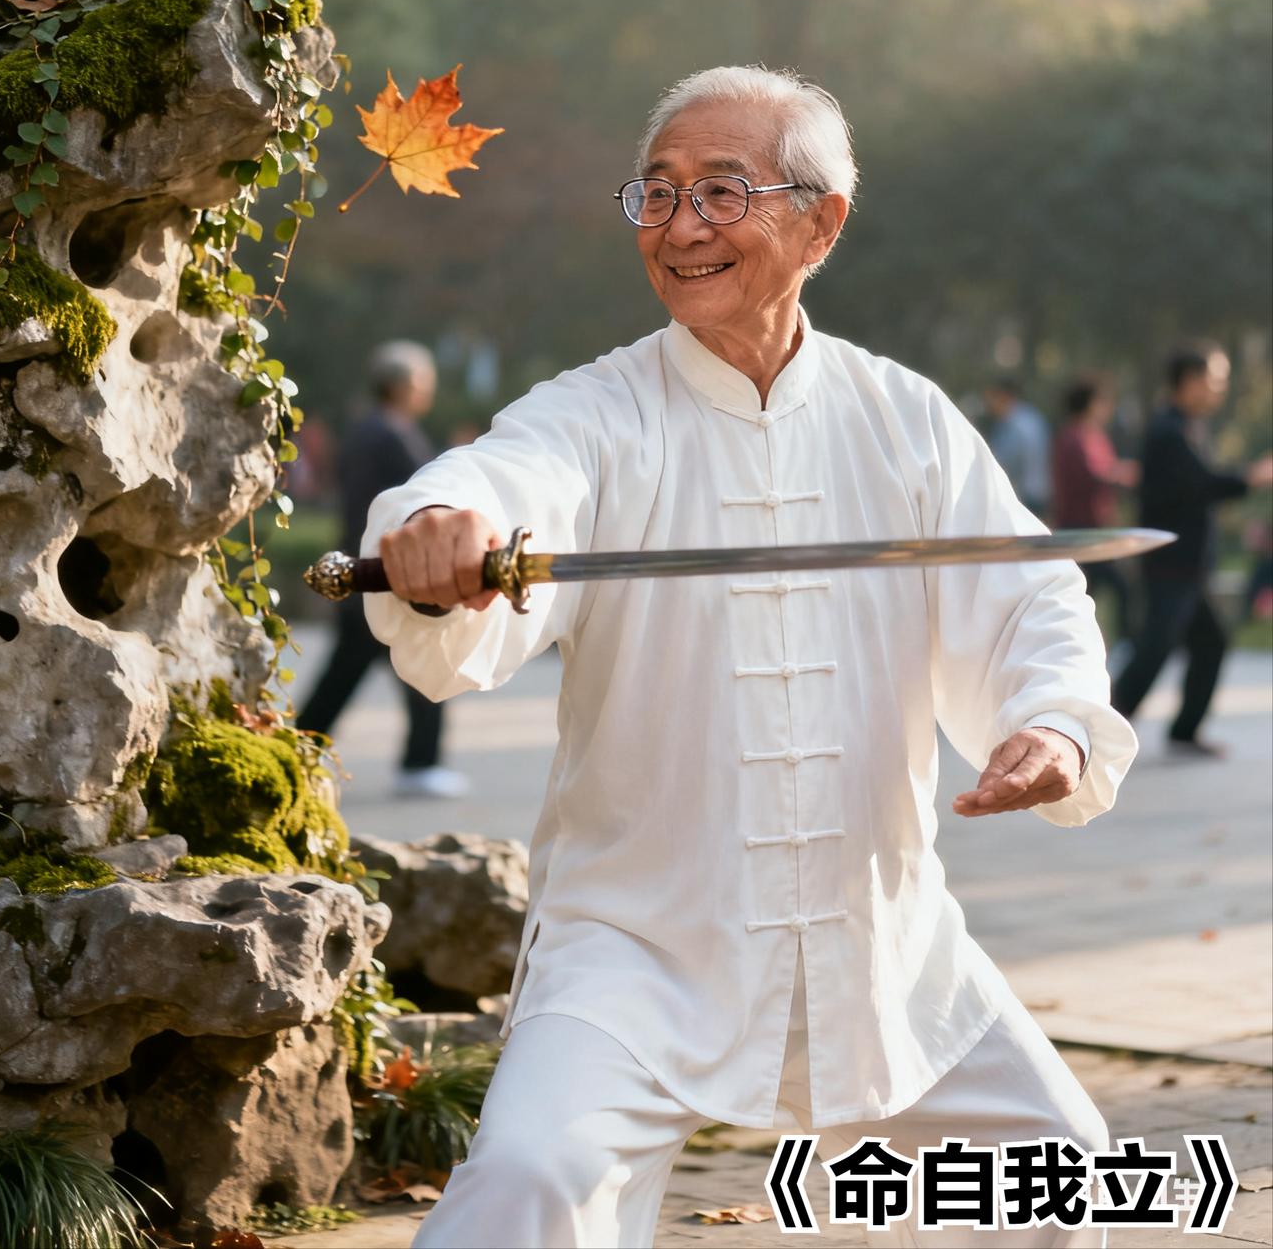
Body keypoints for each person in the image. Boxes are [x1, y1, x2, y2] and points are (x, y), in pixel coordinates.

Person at [363, 66, 1138, 1248]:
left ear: (820, 219)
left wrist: (1055, 722)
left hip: (880, 938)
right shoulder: (594, 413)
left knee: (1064, 1174)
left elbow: (1030, 592)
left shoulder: (905, 417)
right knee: (529, 1178)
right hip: (637, 947)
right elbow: (504, 478)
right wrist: (441, 526)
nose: (679, 227)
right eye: (658, 193)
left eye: (722, 192)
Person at [298, 340, 469, 798]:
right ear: (406, 385)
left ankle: (300, 749)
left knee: (350, 677)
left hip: (364, 569)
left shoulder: (363, 430)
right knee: (423, 667)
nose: (427, 392)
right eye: (424, 383)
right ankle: (420, 764)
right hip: (383, 573)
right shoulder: (391, 435)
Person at [1112, 343, 1273, 756]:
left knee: (1209, 642)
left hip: (1186, 564)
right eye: (1213, 380)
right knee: (1156, 647)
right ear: (1188, 382)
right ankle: (1100, 730)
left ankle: (1183, 731)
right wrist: (1251, 477)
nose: (1219, 389)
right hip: (1171, 563)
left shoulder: (1184, 427)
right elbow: (1200, 485)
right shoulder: (1168, 431)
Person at [1051, 377, 1139, 648]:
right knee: (1099, 589)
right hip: (1080, 531)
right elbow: (1093, 474)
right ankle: (1116, 644)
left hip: (1095, 529)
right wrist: (1122, 474)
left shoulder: (1091, 436)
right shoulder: (1075, 437)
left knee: (1097, 589)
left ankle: (1100, 641)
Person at [983, 376, 1051, 518]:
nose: (989, 403)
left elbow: (1004, 462)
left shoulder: (1013, 424)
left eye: (993, 397)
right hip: (1035, 494)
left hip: (1024, 497)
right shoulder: (1031, 417)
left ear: (1003, 396)